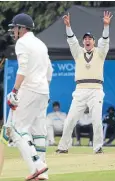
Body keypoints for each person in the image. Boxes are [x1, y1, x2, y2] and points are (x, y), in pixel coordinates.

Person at [56, 11, 112, 154]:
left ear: (94, 41)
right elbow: (71, 41)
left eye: (90, 39)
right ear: (83, 42)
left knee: (97, 120)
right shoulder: (78, 52)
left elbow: (104, 41)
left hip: (96, 90)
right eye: (85, 39)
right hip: (80, 90)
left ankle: (98, 147)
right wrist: (68, 26)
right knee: (70, 120)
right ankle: (63, 147)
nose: (87, 41)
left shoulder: (100, 52)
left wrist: (106, 26)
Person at [4, 13, 52, 180]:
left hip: (29, 89)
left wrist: (15, 91)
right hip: (43, 90)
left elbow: (22, 70)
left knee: (17, 130)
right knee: (38, 131)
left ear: (22, 28)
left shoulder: (22, 43)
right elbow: (49, 70)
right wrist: (44, 88)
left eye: (15, 28)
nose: (13, 31)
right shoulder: (41, 44)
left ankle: (37, 166)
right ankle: (43, 174)